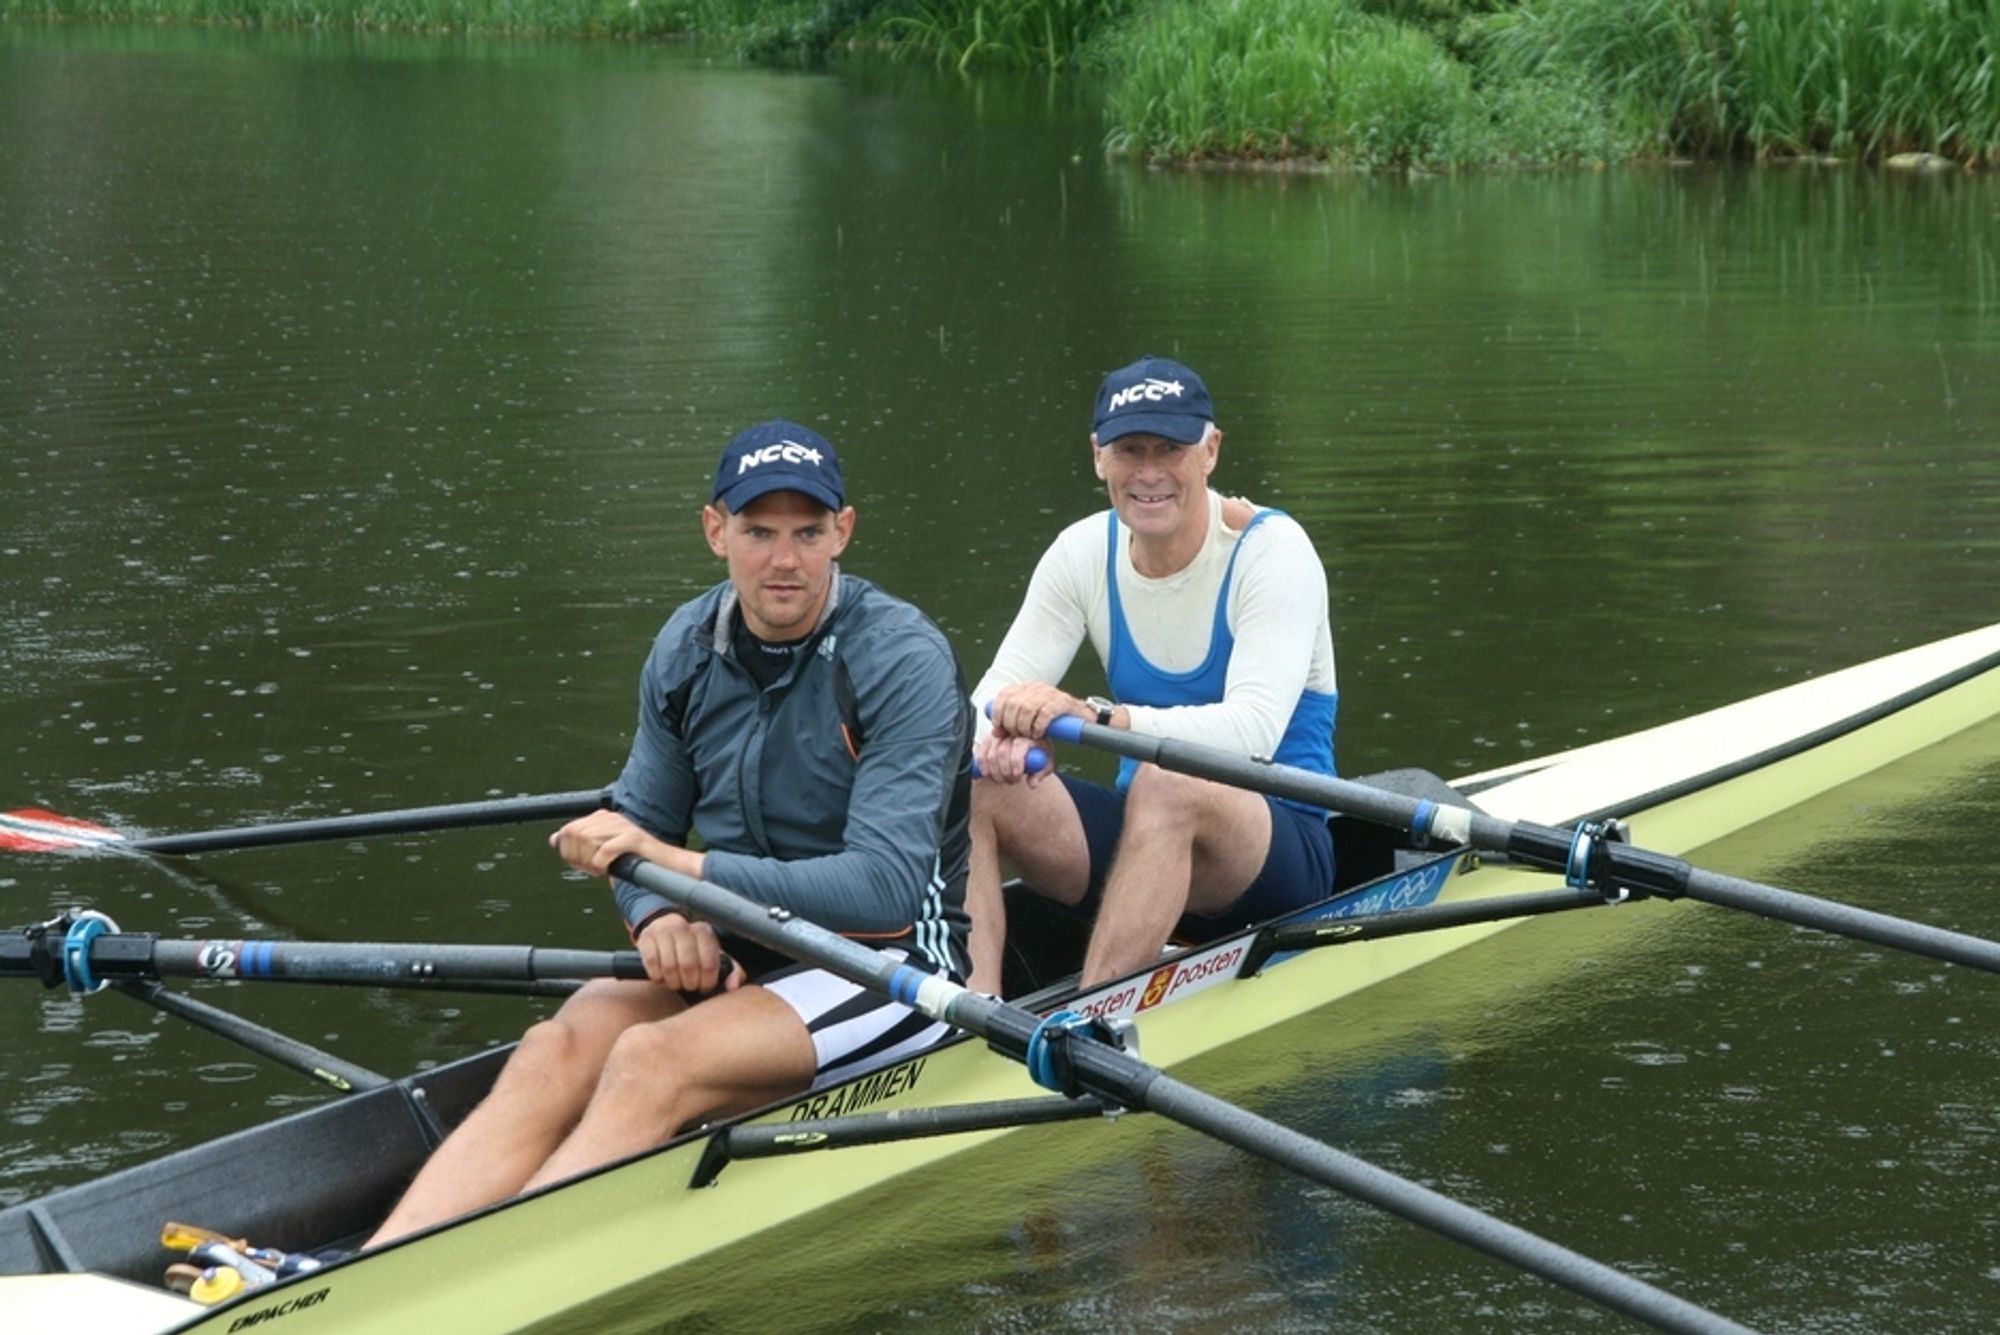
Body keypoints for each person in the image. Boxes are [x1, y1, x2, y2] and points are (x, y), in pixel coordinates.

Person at [368, 420, 973, 1245]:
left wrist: (677, 868)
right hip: (741, 958)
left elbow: (883, 888)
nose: (784, 560)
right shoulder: (688, 647)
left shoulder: (900, 657)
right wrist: (662, 915)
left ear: (845, 531)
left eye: (808, 533)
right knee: (560, 1043)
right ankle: (383, 1263)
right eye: (759, 532)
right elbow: (635, 831)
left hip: (888, 963)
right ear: (715, 529)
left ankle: (487, 1273)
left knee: (650, 1060)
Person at [967, 356, 1337, 994]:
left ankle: (1093, 1021)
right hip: (1145, 837)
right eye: (1129, 450)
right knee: (971, 780)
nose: (1149, 473)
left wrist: (1099, 717)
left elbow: (1252, 730)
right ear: (1097, 457)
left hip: (1277, 854)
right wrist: (1004, 732)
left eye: (1170, 448)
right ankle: (971, 1016)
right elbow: (986, 699)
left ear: (1210, 451)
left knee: (1169, 781)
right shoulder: (1082, 552)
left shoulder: (1275, 554)